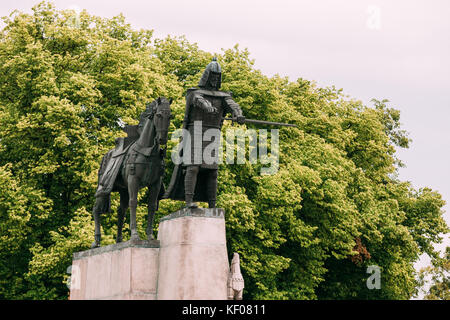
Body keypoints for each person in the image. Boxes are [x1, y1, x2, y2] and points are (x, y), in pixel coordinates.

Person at [165, 58, 245, 208]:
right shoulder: (195, 93)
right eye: (212, 76)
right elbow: (198, 99)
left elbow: (232, 104)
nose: (214, 80)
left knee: (212, 172)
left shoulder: (223, 96)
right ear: (207, 76)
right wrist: (207, 106)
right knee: (193, 167)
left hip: (212, 134)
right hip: (195, 131)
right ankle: (189, 202)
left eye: (217, 77)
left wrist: (238, 113)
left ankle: (212, 205)